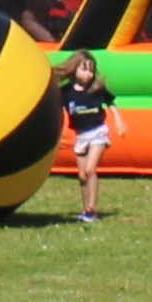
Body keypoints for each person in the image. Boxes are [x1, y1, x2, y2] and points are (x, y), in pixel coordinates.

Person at [56, 53, 119, 221]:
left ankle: (92, 209)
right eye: (84, 70)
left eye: (91, 71)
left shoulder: (96, 89)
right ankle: (85, 210)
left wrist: (119, 122)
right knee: (82, 175)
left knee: (90, 169)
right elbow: (60, 111)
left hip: (98, 131)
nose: (88, 75)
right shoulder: (66, 92)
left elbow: (111, 103)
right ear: (74, 69)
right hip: (81, 134)